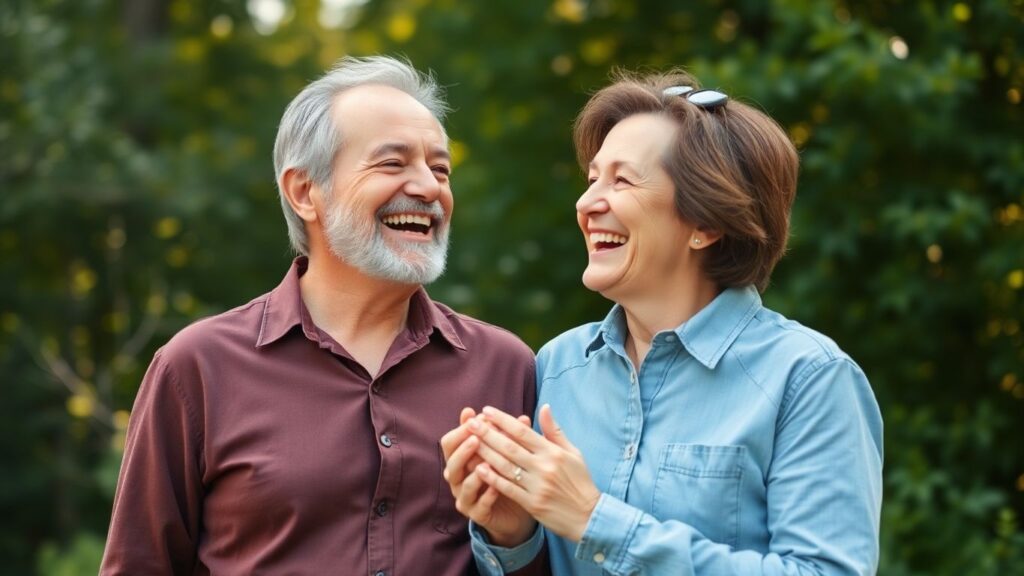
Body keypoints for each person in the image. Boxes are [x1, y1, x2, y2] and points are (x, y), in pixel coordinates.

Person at [100, 56, 542, 576]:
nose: (429, 188)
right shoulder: (197, 367)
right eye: (392, 163)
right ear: (304, 192)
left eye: (440, 169)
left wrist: (515, 540)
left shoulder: (507, 368)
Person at [442, 70, 884, 575]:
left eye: (622, 180)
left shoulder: (809, 378)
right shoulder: (558, 366)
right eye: (592, 180)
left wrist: (594, 520)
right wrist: (513, 536)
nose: (586, 204)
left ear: (706, 223)